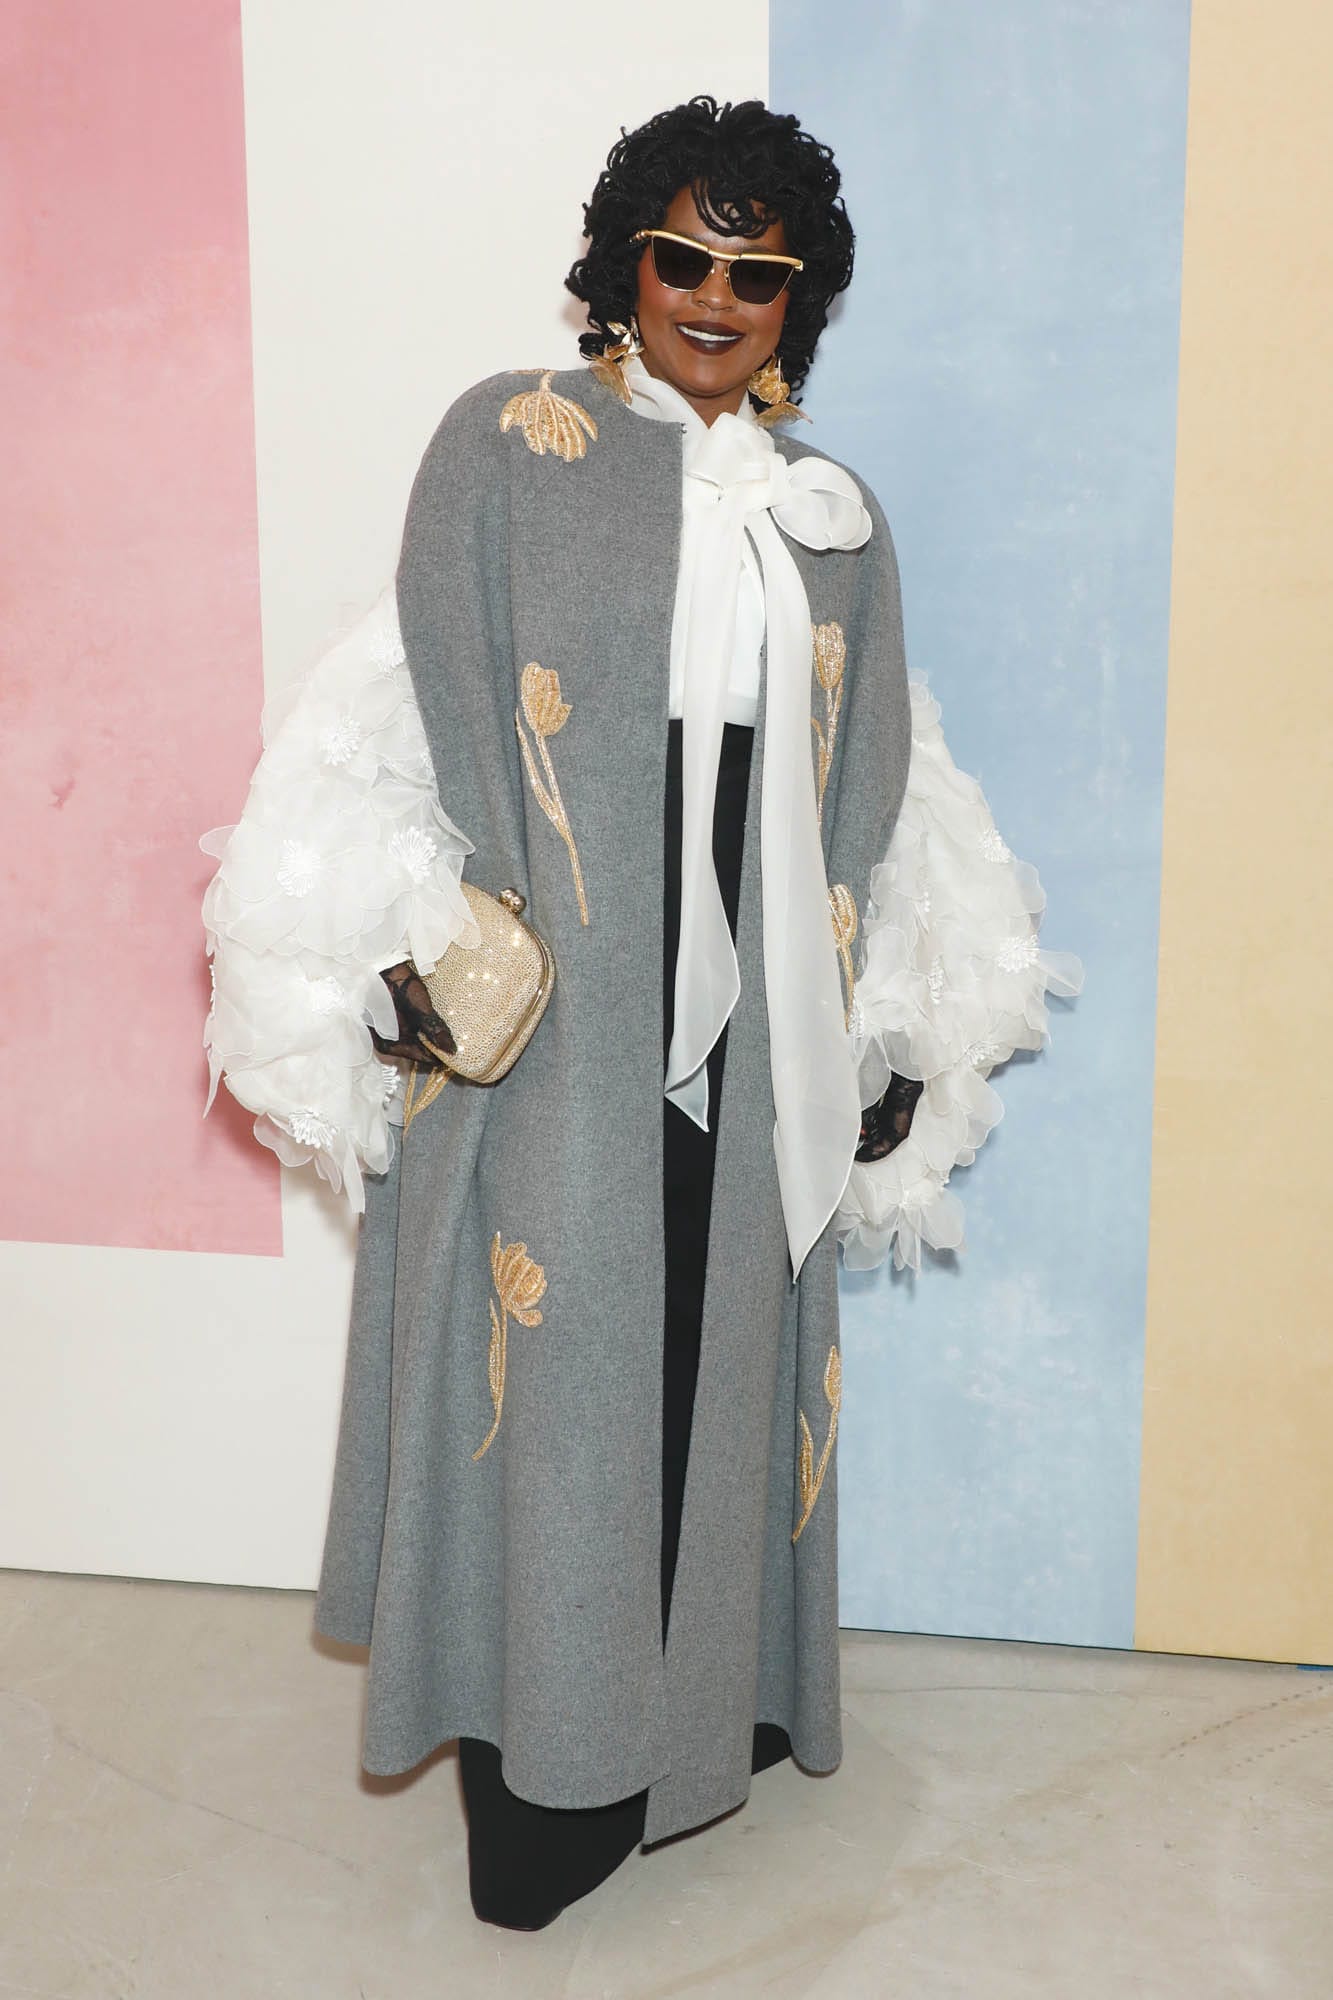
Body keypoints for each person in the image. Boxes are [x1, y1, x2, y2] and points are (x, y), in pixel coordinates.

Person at [201, 96, 1081, 1930]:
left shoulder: (834, 518)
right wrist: (366, 950)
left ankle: (695, 1724)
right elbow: (380, 712)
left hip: (766, 1024)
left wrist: (898, 1022)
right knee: (563, 1376)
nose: (715, 298)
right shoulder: (508, 443)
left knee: (711, 1347)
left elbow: (889, 776)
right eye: (683, 257)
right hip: (560, 1015)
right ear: (623, 264)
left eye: (759, 274)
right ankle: (553, 1775)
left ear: (797, 302)